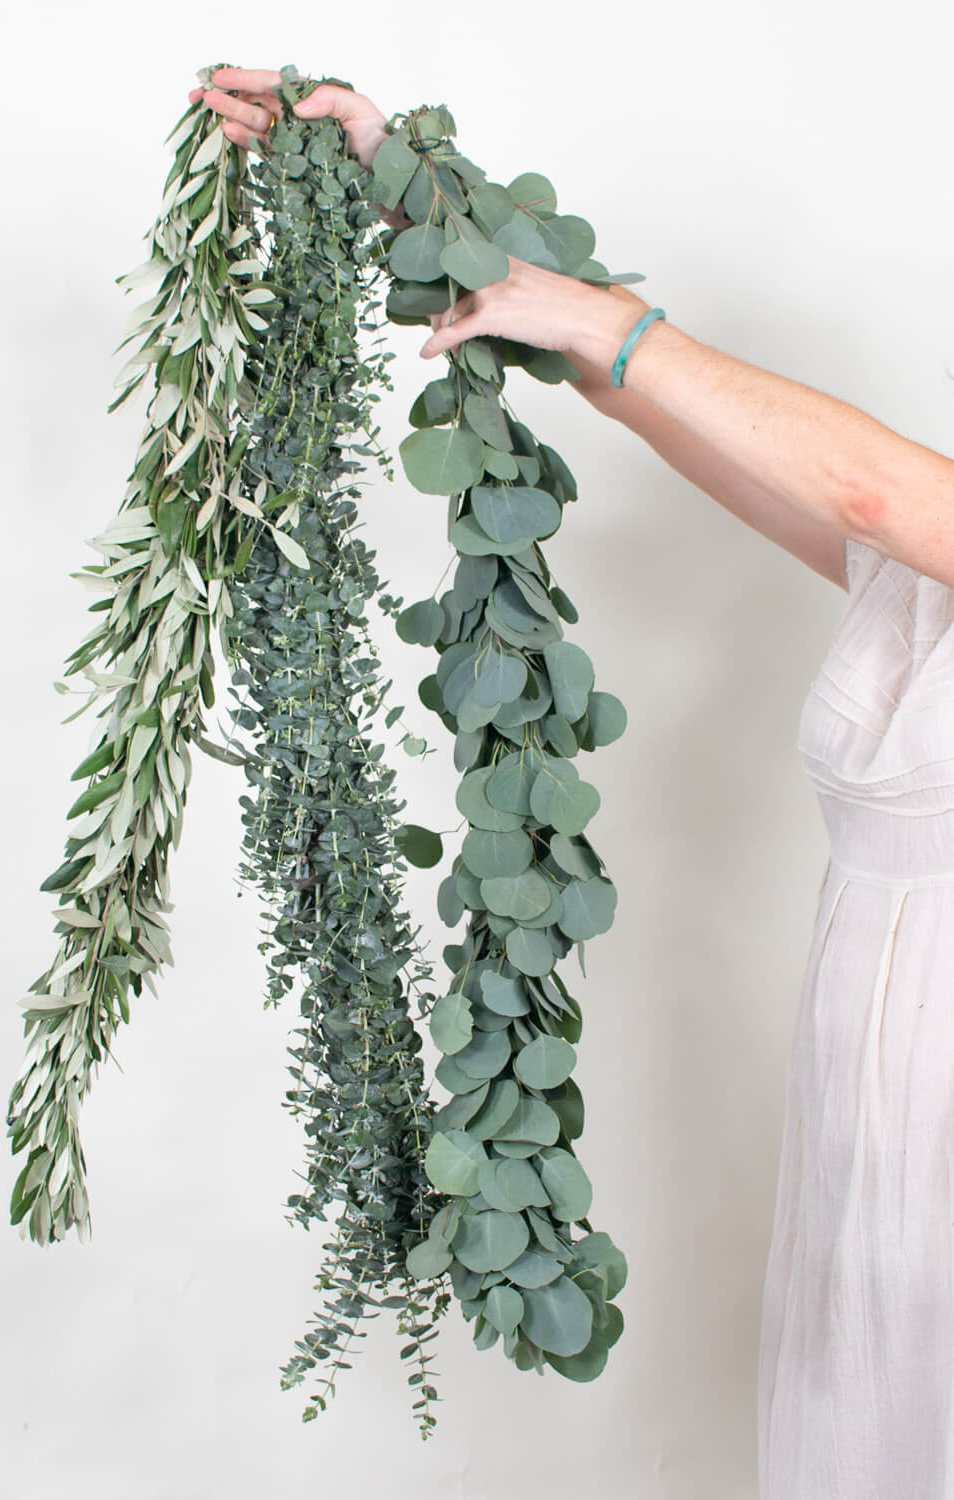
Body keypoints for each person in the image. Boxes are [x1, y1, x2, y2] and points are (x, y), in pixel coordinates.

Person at [192, 66, 954, 1500]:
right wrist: (420, 200)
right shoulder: (922, 558)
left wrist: (613, 322)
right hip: (883, 1067)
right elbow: (732, 445)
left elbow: (863, 489)